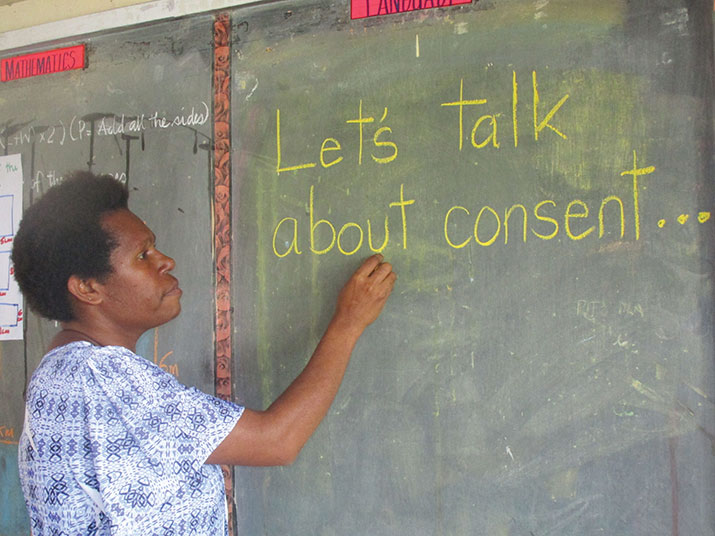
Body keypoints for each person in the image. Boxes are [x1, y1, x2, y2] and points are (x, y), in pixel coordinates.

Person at [12, 171, 396, 536]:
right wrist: (348, 322)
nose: (166, 261)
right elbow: (277, 440)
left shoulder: (59, 373)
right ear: (87, 288)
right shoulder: (105, 375)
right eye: (143, 256)